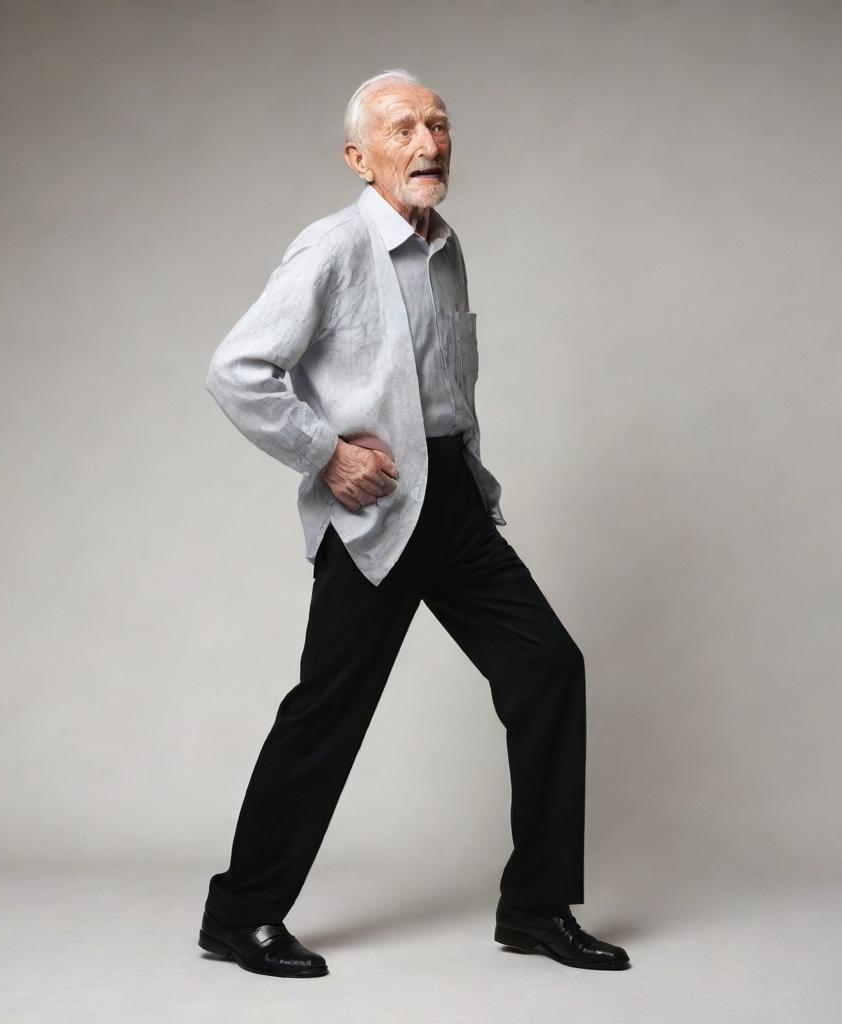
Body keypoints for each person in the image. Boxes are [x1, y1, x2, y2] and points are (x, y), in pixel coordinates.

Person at [198, 69, 630, 978]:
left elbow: (439, 386)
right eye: (402, 129)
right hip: (378, 508)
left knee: (548, 670)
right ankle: (240, 916)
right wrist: (324, 453)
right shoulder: (332, 247)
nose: (428, 141)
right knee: (328, 713)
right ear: (360, 158)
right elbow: (237, 369)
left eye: (438, 125)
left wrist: (465, 480)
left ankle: (537, 908)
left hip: (456, 503)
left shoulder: (445, 246)